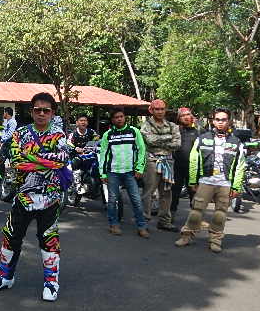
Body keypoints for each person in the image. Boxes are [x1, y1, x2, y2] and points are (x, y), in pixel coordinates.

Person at [0, 92, 68, 302]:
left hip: (50, 197)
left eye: (46, 110)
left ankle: (51, 282)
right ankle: (4, 276)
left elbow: (60, 161)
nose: (41, 113)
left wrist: (29, 155)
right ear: (32, 112)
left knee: (48, 238)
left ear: (52, 113)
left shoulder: (59, 135)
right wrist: (44, 160)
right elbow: (16, 161)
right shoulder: (20, 133)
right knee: (11, 235)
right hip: (23, 196)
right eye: (38, 110)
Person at [175, 108, 245, 253]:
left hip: (225, 183)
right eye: (218, 119)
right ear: (213, 121)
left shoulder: (236, 142)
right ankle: (186, 236)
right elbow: (194, 160)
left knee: (220, 214)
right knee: (196, 211)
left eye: (224, 119)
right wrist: (193, 181)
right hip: (206, 181)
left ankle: (215, 240)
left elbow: (240, 165)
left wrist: (236, 187)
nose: (220, 122)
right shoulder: (203, 138)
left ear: (229, 121)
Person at [99, 108, 148, 237]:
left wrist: (140, 168)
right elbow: (103, 155)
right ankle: (113, 225)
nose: (119, 119)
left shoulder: (134, 131)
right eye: (116, 117)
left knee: (136, 200)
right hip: (113, 172)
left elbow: (141, 150)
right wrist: (102, 173)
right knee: (112, 200)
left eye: (121, 116)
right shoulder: (108, 135)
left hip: (130, 171)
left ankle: (141, 226)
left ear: (124, 117)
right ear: (112, 120)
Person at [140, 99, 181, 231]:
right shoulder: (146, 125)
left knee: (166, 192)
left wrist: (158, 139)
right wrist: (168, 138)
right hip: (152, 161)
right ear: (151, 110)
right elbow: (150, 141)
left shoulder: (172, 126)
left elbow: (177, 144)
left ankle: (164, 221)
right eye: (156, 109)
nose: (160, 111)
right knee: (149, 192)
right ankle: (143, 221)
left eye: (162, 109)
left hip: (168, 161)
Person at [171, 107, 199, 215]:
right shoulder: (175, 131)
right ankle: (170, 217)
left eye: (188, 114)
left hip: (193, 169)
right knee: (174, 193)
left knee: (194, 193)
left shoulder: (198, 131)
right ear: (179, 118)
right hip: (176, 167)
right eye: (183, 115)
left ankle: (195, 218)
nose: (186, 117)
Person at [67, 114, 98, 193]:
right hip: (76, 156)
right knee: (73, 165)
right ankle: (76, 184)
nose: (83, 122)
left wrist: (94, 144)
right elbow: (68, 143)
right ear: (77, 123)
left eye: (85, 121)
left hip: (88, 155)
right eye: (81, 121)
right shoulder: (73, 134)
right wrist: (75, 148)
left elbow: (96, 139)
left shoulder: (91, 132)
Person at [0, 107, 17, 178]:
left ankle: (14, 177)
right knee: (1, 161)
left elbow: (10, 134)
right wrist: (0, 137)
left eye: (4, 113)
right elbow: (5, 133)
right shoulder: (7, 122)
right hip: (6, 144)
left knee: (12, 162)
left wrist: (1, 140)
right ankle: (2, 177)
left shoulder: (12, 122)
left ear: (6, 113)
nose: (3, 114)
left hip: (10, 144)